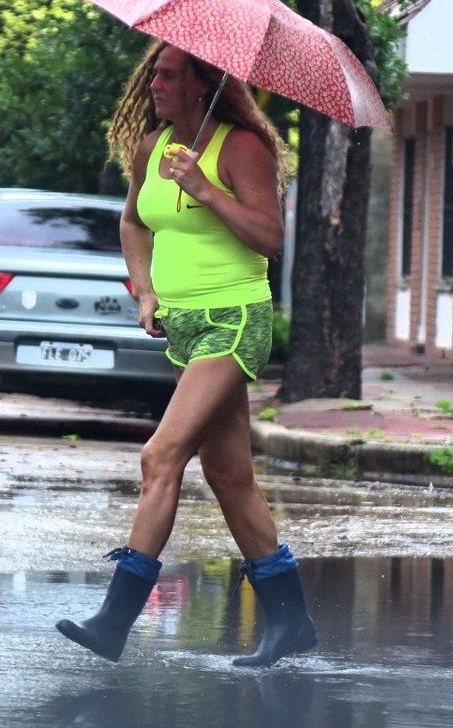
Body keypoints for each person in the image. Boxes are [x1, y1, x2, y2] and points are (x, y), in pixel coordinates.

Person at [55, 39, 317, 667]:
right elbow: (134, 222)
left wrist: (205, 187)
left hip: (234, 320)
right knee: (230, 478)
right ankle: (292, 621)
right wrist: (144, 289)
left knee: (161, 455)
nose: (155, 84)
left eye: (169, 75)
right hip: (185, 328)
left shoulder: (241, 147)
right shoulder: (151, 148)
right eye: (154, 73)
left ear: (202, 84)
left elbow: (268, 236)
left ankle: (115, 620)